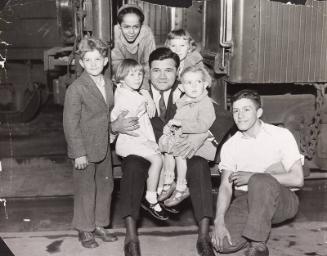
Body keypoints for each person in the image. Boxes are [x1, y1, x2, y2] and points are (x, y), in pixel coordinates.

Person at [113, 47, 216, 256]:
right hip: (147, 150)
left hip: (179, 152)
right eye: (156, 70)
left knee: (199, 166)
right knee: (132, 165)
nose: (162, 76)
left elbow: (218, 114)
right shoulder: (134, 89)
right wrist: (114, 126)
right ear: (148, 71)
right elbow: (110, 116)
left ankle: (204, 237)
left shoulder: (189, 87)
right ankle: (131, 238)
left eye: (168, 70)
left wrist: (201, 136)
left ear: (178, 72)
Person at [211, 89, 304, 256]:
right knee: (223, 245)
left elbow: (298, 179)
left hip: (282, 201)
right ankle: (257, 225)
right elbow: (225, 186)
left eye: (246, 109)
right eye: (236, 111)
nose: (240, 116)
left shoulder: (280, 135)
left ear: (259, 112)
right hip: (245, 200)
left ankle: (258, 245)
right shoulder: (231, 145)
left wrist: (252, 176)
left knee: (260, 180)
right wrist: (218, 222)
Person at [63, 37, 118, 248]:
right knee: (85, 189)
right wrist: (78, 153)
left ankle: (100, 224)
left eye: (98, 59)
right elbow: (70, 123)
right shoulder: (76, 89)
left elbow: (109, 112)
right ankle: (85, 229)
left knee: (105, 186)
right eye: (88, 59)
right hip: (85, 149)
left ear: (105, 61)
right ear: (82, 63)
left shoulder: (109, 84)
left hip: (104, 146)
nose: (94, 63)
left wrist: (113, 132)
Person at [111, 59, 167, 220]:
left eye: (139, 74)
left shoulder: (125, 91)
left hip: (135, 139)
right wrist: (147, 142)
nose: (137, 78)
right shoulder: (128, 101)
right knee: (157, 160)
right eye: (131, 75)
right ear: (121, 78)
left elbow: (146, 106)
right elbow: (132, 126)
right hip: (131, 140)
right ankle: (151, 196)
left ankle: (157, 193)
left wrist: (146, 95)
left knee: (160, 158)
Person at [158, 66, 217, 207]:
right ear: (182, 87)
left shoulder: (205, 102)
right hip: (184, 138)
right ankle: (169, 181)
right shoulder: (183, 100)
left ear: (205, 84)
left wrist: (180, 125)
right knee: (165, 148)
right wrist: (169, 128)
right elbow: (177, 121)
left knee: (178, 152)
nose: (194, 86)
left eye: (198, 82)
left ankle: (181, 187)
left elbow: (203, 125)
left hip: (202, 144)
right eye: (189, 83)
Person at [112, 4, 155, 92]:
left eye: (136, 27)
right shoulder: (114, 33)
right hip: (121, 83)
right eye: (126, 27)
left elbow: (150, 64)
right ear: (120, 25)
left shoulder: (146, 32)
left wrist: (144, 90)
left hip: (142, 80)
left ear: (141, 25)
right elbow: (118, 69)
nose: (131, 32)